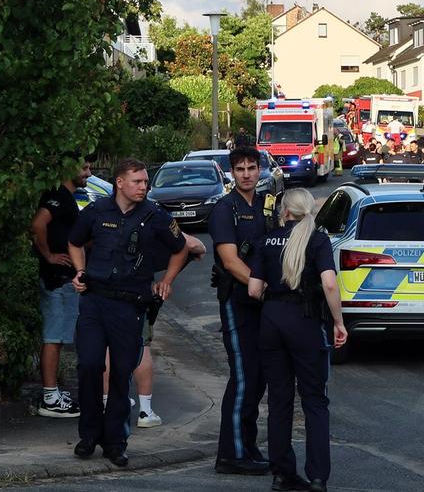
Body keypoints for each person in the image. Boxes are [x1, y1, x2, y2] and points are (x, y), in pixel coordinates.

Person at [68, 158, 201, 467]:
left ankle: (115, 441)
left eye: (145, 182)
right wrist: (80, 271)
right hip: (95, 301)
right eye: (137, 181)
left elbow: (181, 247)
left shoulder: (155, 215)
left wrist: (167, 281)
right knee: (89, 365)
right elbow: (74, 242)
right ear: (120, 183)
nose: (144, 186)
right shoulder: (98, 210)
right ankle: (89, 435)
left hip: (129, 305)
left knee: (121, 372)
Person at [248, 189, 347, 492]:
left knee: (279, 400)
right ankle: (317, 477)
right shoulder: (317, 240)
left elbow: (253, 290)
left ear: (285, 212)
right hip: (304, 321)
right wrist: (339, 322)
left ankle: (281, 474)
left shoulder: (267, 240)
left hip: (272, 320)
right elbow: (330, 284)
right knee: (314, 400)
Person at [208, 146, 277, 475]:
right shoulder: (225, 209)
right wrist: (260, 287)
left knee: (259, 377)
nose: (247, 174)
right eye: (240, 169)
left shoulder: (267, 205)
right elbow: (230, 261)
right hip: (238, 301)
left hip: (263, 304)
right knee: (243, 377)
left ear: (259, 170)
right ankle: (231, 454)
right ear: (231, 173)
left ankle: (247, 445)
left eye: (251, 168)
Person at [30, 156, 92, 418]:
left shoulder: (66, 196)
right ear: (68, 168)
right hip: (57, 279)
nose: (89, 173)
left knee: (58, 336)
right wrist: (49, 256)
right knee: (54, 337)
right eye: (84, 168)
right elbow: (37, 224)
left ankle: (52, 392)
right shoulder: (58, 195)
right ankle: (49, 398)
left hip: (63, 278)